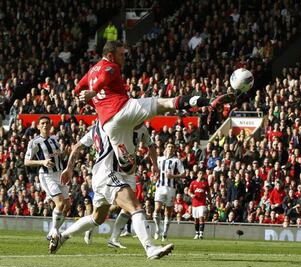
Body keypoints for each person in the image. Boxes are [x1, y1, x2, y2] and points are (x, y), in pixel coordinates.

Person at [75, 41, 231, 179]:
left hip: (109, 125)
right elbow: (105, 78)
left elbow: (77, 90)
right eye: (121, 55)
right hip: (123, 109)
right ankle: (209, 101)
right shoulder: (111, 66)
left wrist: (91, 102)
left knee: (129, 169)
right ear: (110, 55)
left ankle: (122, 159)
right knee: (166, 103)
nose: (124, 58)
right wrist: (94, 91)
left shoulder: (90, 72)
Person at [49, 122, 173, 259]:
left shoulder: (137, 128)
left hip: (115, 175)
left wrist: (154, 164)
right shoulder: (114, 122)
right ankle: (150, 248)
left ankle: (62, 237)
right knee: (135, 207)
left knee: (97, 218)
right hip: (108, 173)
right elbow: (80, 146)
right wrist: (70, 168)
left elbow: (150, 145)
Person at [24, 116, 69, 240]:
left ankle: (52, 232)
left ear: (50, 126)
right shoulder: (34, 142)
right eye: (42, 123)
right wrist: (42, 162)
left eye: (47, 123)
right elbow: (26, 161)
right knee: (59, 203)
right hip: (47, 175)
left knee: (67, 206)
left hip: (60, 174)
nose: (45, 125)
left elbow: (59, 156)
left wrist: (65, 153)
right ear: (38, 126)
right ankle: (54, 231)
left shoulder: (54, 139)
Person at [153, 142, 185, 241]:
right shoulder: (159, 159)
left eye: (172, 147)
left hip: (171, 188)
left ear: (174, 149)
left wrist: (173, 176)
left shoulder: (177, 161)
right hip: (160, 187)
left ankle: (165, 234)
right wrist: (154, 177)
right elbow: (155, 172)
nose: (170, 148)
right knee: (157, 209)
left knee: (168, 211)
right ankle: (158, 229)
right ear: (165, 148)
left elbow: (183, 174)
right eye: (168, 146)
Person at [189, 170, 210, 239]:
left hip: (202, 203)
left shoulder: (205, 183)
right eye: (200, 173)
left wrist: (209, 200)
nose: (201, 175)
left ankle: (201, 234)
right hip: (195, 203)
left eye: (202, 174)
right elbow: (189, 191)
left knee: (201, 217)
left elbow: (208, 192)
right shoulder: (193, 183)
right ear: (197, 175)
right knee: (196, 219)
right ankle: (197, 233)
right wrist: (191, 195)